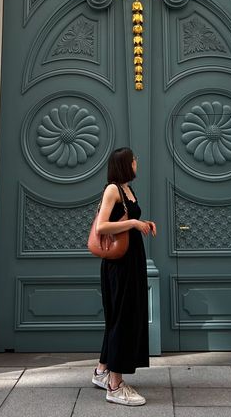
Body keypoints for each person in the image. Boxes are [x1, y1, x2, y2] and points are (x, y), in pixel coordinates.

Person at [91, 147, 157, 406]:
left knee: (120, 316)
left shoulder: (127, 189)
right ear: (125, 164)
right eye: (134, 160)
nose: (136, 163)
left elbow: (126, 219)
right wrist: (133, 224)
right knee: (122, 318)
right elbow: (102, 226)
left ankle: (102, 371)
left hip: (131, 261)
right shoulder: (112, 190)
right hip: (119, 265)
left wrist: (143, 222)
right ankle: (115, 386)